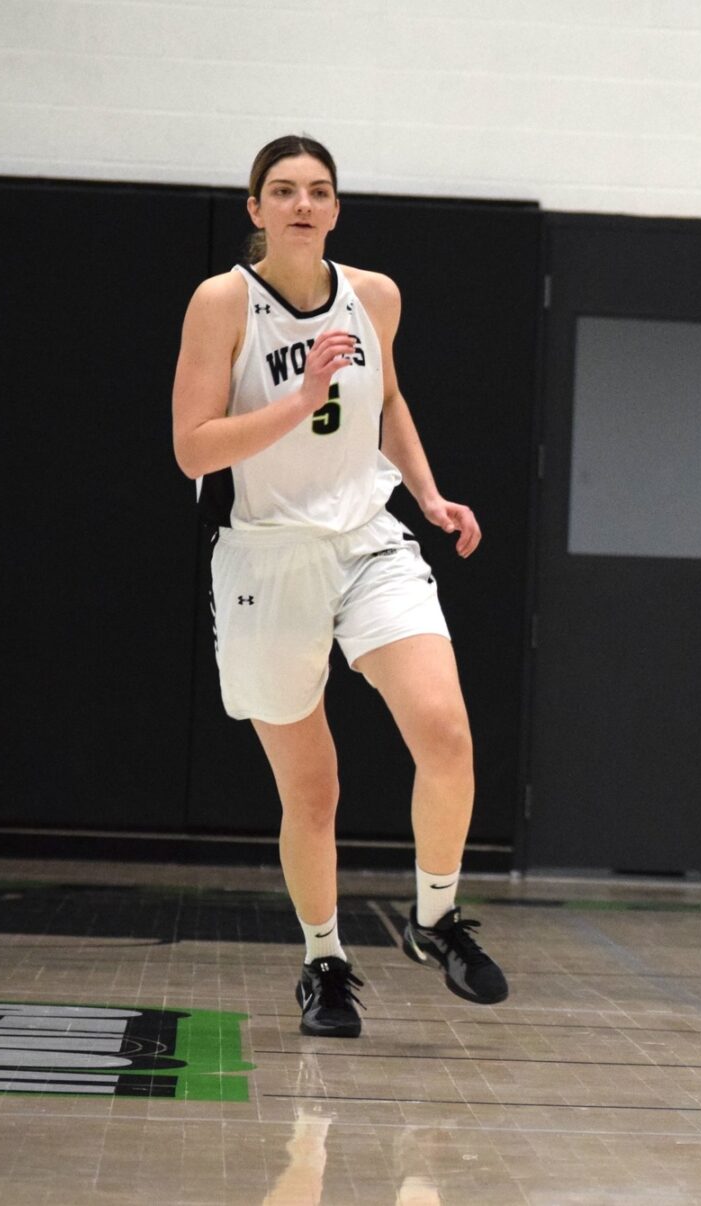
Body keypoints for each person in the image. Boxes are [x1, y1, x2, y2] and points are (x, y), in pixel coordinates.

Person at [171, 134, 509, 1039]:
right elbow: (193, 447)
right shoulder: (223, 303)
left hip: (366, 537)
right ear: (255, 209)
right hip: (265, 554)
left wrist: (431, 496)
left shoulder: (375, 298)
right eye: (282, 191)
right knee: (313, 789)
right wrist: (294, 396)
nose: (302, 205)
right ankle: (324, 960)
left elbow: (387, 402)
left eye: (318, 191)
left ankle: (433, 921)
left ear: (336, 207)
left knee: (444, 730)